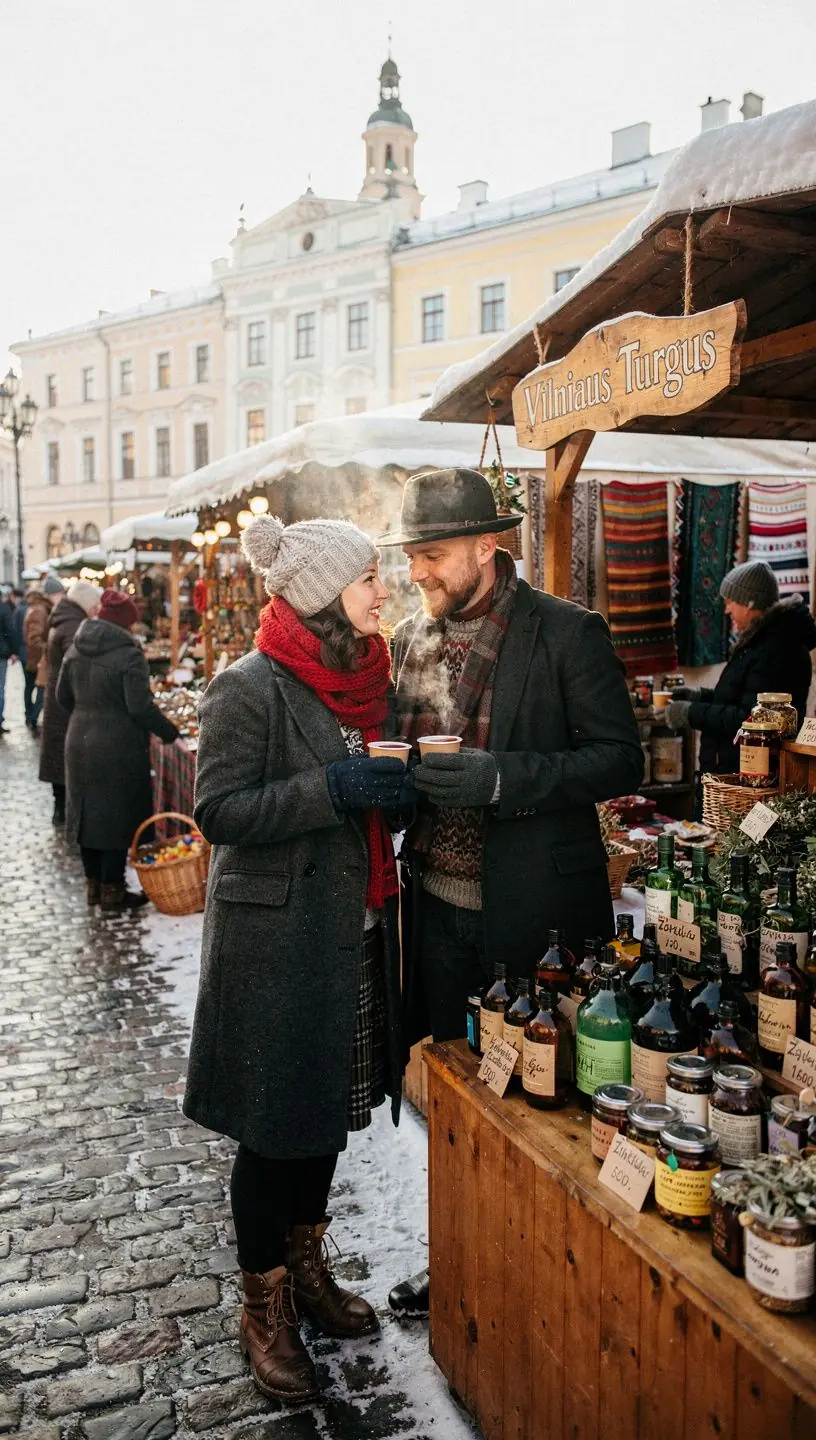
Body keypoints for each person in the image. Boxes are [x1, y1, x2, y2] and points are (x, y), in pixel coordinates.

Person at [379, 467, 644, 1319]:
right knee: (455, 1094)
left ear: (488, 546)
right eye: (411, 555)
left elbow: (618, 759)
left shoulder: (568, 632)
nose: (416, 572)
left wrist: (503, 781)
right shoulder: (410, 638)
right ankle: (457, 1256)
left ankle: (546, 1285)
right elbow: (401, 740)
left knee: (541, 1101)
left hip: (536, 914)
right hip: (437, 912)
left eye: (433, 555)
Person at [183, 515, 407, 1406]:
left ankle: (307, 1267)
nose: (382, 594)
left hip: (345, 936)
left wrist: (392, 793)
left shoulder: (361, 682)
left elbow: (354, 791)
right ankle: (264, 1305)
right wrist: (332, 791)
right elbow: (221, 810)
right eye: (367, 583)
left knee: (325, 1116)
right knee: (274, 1131)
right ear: (323, 599)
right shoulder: (248, 686)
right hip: (274, 945)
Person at [56, 586, 179, 911]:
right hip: (117, 744)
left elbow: (61, 696)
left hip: (79, 739)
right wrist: (169, 732)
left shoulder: (77, 647)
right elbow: (140, 707)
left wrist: (87, 714)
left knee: (86, 814)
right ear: (124, 622)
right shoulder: (128, 653)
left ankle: (94, 886)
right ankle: (113, 890)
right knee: (113, 815)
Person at [667, 560, 816, 774]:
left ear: (749, 603)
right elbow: (740, 698)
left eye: (730, 602)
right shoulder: (761, 642)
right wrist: (698, 696)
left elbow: (750, 719)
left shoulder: (776, 651)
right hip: (730, 769)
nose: (727, 610)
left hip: (746, 775)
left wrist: (691, 713)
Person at [40, 580, 103, 824]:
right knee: (65, 756)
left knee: (59, 755)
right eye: (94, 605)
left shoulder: (64, 619)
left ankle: (61, 809)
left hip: (59, 700)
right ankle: (66, 812)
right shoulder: (73, 624)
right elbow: (77, 662)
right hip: (68, 702)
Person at [22, 581, 58, 732]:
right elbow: (34, 637)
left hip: (33, 658)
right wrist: (48, 649)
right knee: (40, 689)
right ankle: (32, 717)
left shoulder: (36, 609)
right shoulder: (40, 610)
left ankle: (31, 716)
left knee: (32, 688)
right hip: (37, 659)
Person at [0, 586, 18, 734]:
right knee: (0, 688)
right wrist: (14, 651)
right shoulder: (4, 608)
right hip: (1, 654)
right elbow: (10, 630)